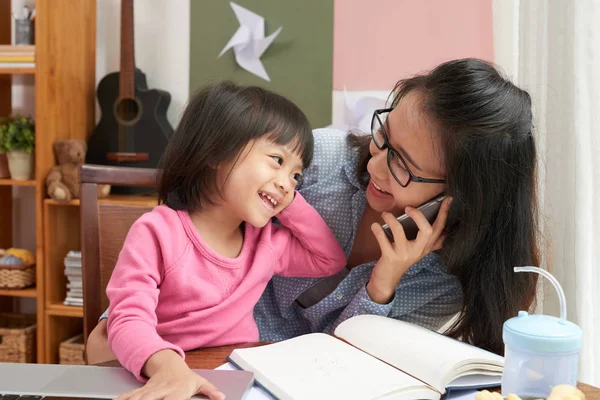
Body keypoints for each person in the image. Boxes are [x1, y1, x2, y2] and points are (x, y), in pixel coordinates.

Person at [88, 58, 539, 373]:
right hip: (190, 356)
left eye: (403, 165)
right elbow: (188, 236)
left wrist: (382, 284)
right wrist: (130, 333)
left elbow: (352, 364)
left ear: (458, 196)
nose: (375, 165)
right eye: (384, 134)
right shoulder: (312, 163)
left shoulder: (443, 280)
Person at [104, 81, 348, 400]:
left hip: (237, 381)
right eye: (277, 160)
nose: (288, 183)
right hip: (166, 376)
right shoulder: (157, 230)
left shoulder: (267, 244)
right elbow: (126, 320)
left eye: (296, 175)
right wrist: (167, 368)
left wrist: (288, 200)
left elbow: (329, 260)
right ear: (217, 152)